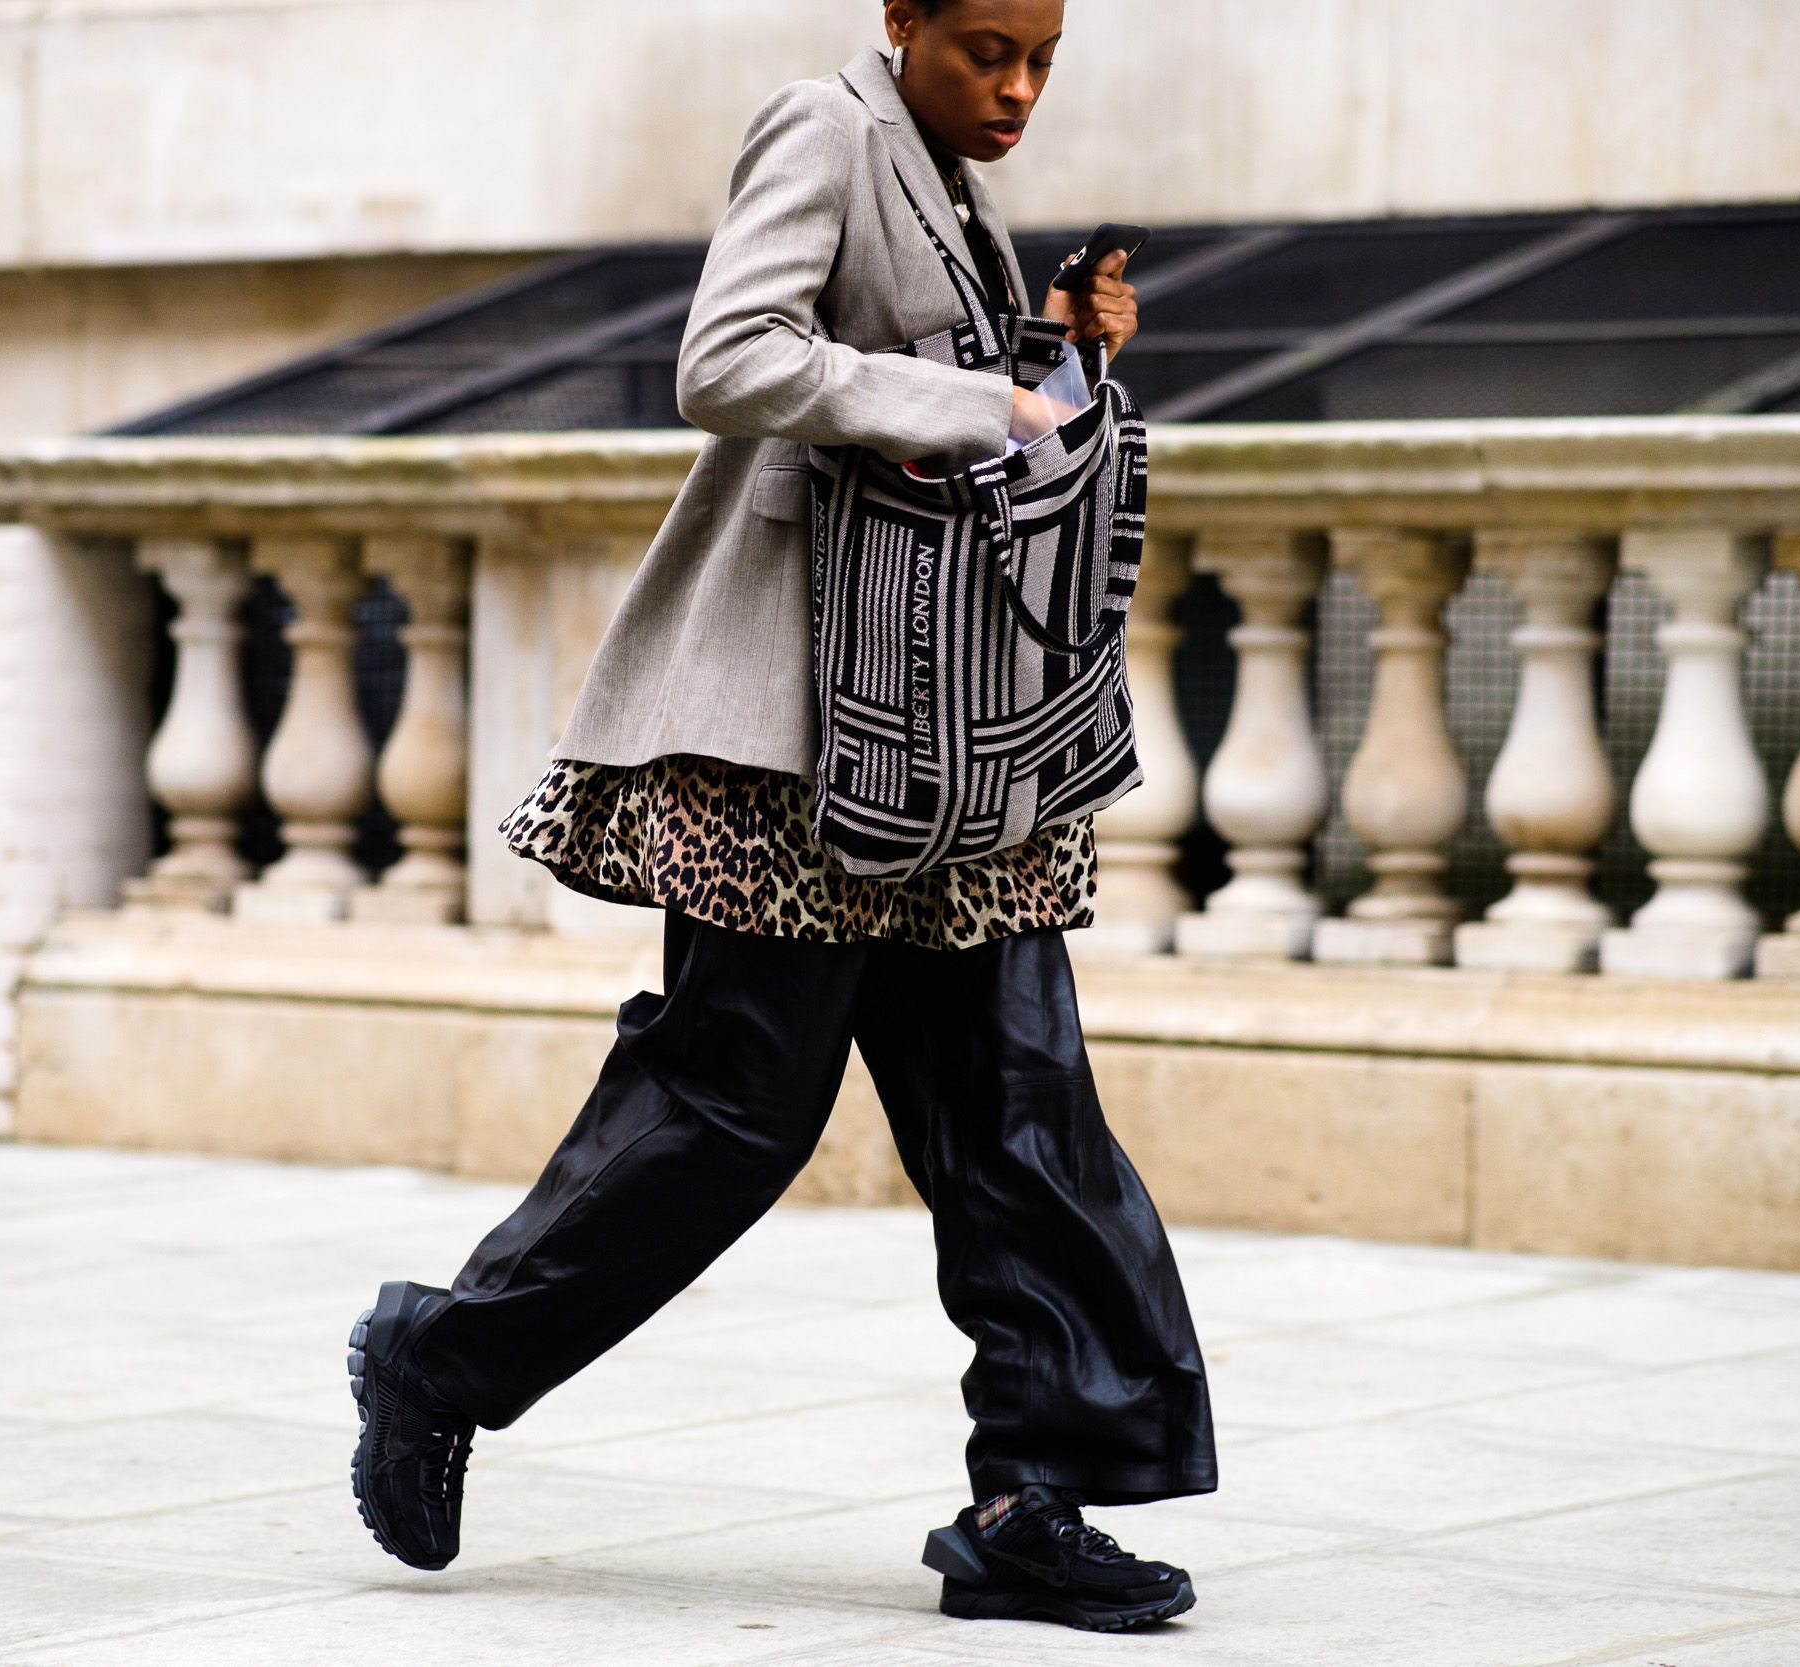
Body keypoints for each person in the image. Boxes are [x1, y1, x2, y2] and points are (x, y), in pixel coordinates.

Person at [346, 0, 1217, 1632]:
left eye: (1041, 56)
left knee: (1023, 1107)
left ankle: (1036, 1499)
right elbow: (727, 362)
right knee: (733, 1108)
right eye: (985, 50)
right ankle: (439, 1357)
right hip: (801, 740)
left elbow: (954, 407)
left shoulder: (950, 175)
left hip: (951, 738)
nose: (1018, 86)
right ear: (901, 21)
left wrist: (1062, 357)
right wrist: (982, 406)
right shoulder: (823, 126)